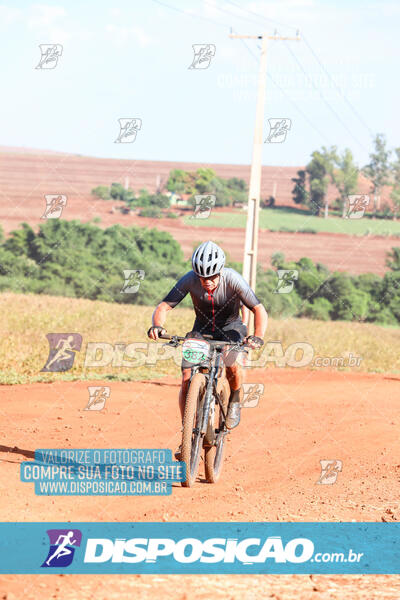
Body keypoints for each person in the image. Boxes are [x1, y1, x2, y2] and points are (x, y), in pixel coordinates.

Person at [147, 240, 268, 437]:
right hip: (202, 330)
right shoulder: (189, 280)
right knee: (187, 377)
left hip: (231, 328)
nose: (207, 281)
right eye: (202, 277)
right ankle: (188, 431)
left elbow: (258, 309)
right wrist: (157, 325)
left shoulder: (233, 279)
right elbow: (164, 307)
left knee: (232, 363)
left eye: (212, 276)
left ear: (220, 271)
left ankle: (235, 399)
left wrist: (258, 336)